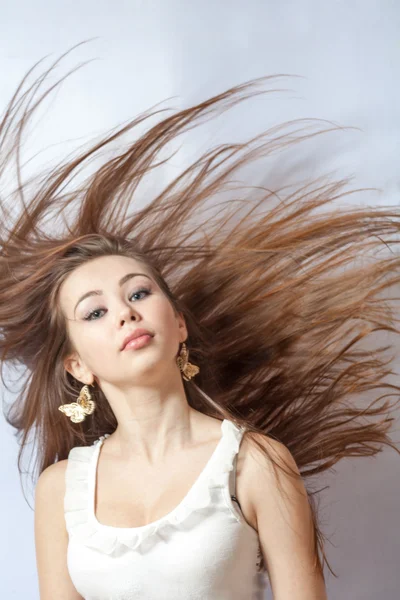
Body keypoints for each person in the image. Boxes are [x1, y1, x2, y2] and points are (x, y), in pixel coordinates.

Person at [1, 47, 399, 600]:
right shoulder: (60, 490)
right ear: (77, 365)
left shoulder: (256, 463)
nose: (125, 312)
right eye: (95, 311)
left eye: (139, 292)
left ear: (179, 324)